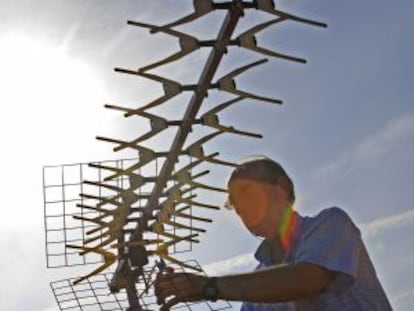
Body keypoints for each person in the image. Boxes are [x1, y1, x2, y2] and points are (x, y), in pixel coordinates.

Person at [154, 156, 393, 311]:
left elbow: (305, 280)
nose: (240, 208)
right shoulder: (256, 289)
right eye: (234, 204)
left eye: (247, 192)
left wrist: (208, 286)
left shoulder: (330, 224)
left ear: (282, 189)